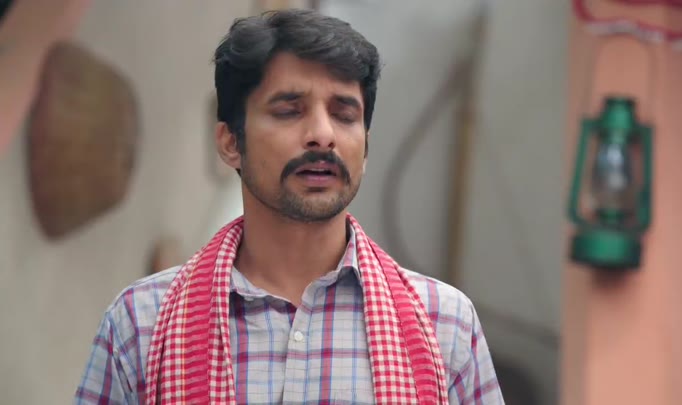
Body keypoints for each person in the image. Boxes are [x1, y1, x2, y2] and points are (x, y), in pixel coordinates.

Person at [74, 8, 504, 405]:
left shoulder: (445, 325)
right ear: (230, 142)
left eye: (344, 114)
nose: (322, 134)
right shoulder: (140, 326)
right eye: (289, 111)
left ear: (366, 148)